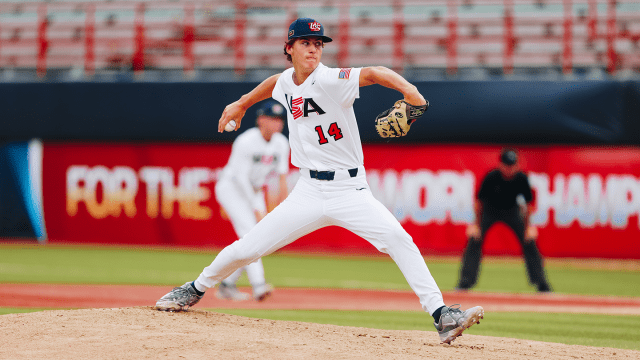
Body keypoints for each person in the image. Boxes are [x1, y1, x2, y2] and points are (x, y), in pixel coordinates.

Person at [155, 17, 483, 344]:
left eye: (318, 44)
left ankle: (441, 316)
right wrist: (241, 104)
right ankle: (194, 288)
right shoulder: (286, 82)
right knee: (248, 248)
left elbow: (374, 72)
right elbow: (275, 83)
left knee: (399, 240)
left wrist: (412, 93)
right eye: (305, 43)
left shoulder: (331, 80)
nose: (313, 49)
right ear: (289, 49)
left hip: (350, 190)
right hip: (308, 191)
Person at [214, 100, 289, 301]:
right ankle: (258, 285)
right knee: (250, 234)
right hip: (232, 188)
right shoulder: (246, 141)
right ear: (261, 120)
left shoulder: (281, 143)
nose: (277, 123)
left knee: (257, 240)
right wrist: (257, 208)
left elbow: (282, 178)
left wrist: (284, 208)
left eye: (280, 119)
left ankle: (227, 284)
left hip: (254, 190)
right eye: (272, 118)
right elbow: (241, 178)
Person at [457, 148, 552, 293]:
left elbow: (527, 206)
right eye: (507, 165)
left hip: (511, 211)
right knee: (474, 240)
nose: (510, 169)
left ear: (517, 165)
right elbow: (479, 203)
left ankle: (541, 284)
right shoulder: (492, 177)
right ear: (500, 165)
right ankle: (465, 282)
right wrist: (476, 225)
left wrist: (528, 228)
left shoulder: (521, 178)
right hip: (489, 211)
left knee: (529, 241)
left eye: (512, 165)